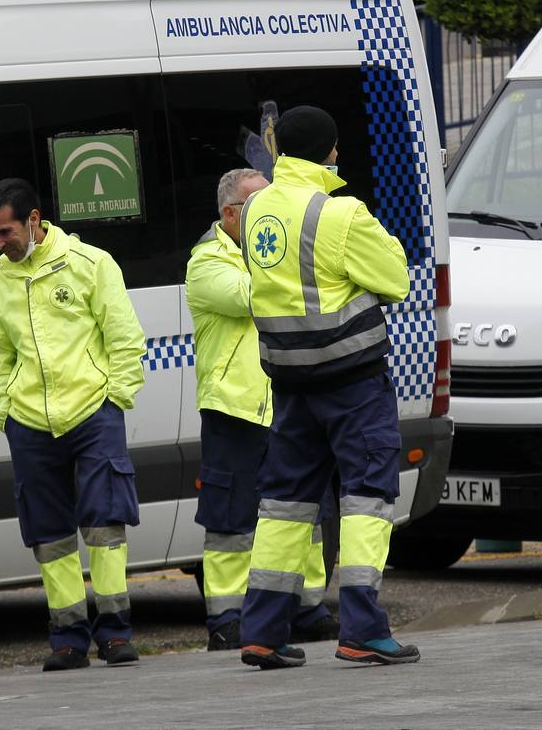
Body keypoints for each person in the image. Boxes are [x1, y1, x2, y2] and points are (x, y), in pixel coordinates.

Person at [235, 105, 419, 669]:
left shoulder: (257, 208)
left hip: (289, 383)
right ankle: (362, 629)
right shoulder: (341, 213)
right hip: (353, 383)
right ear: (332, 151)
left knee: (285, 504)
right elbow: (397, 278)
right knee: (367, 498)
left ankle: (262, 632)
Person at [0, 178, 146, 671]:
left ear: (33, 220)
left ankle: (116, 634)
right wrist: (6, 411)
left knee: (105, 524)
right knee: (48, 534)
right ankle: (68, 638)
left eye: (4, 232)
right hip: (29, 423)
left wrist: (115, 399)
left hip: (94, 412)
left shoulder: (91, 264)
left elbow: (125, 338)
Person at [185, 167, 340, 651]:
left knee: (302, 513)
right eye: (258, 207)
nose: (269, 214)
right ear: (230, 215)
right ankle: (227, 618)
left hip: (286, 402)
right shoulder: (207, 261)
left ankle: (307, 606)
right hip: (235, 411)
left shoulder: (267, 250)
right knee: (231, 520)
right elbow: (254, 296)